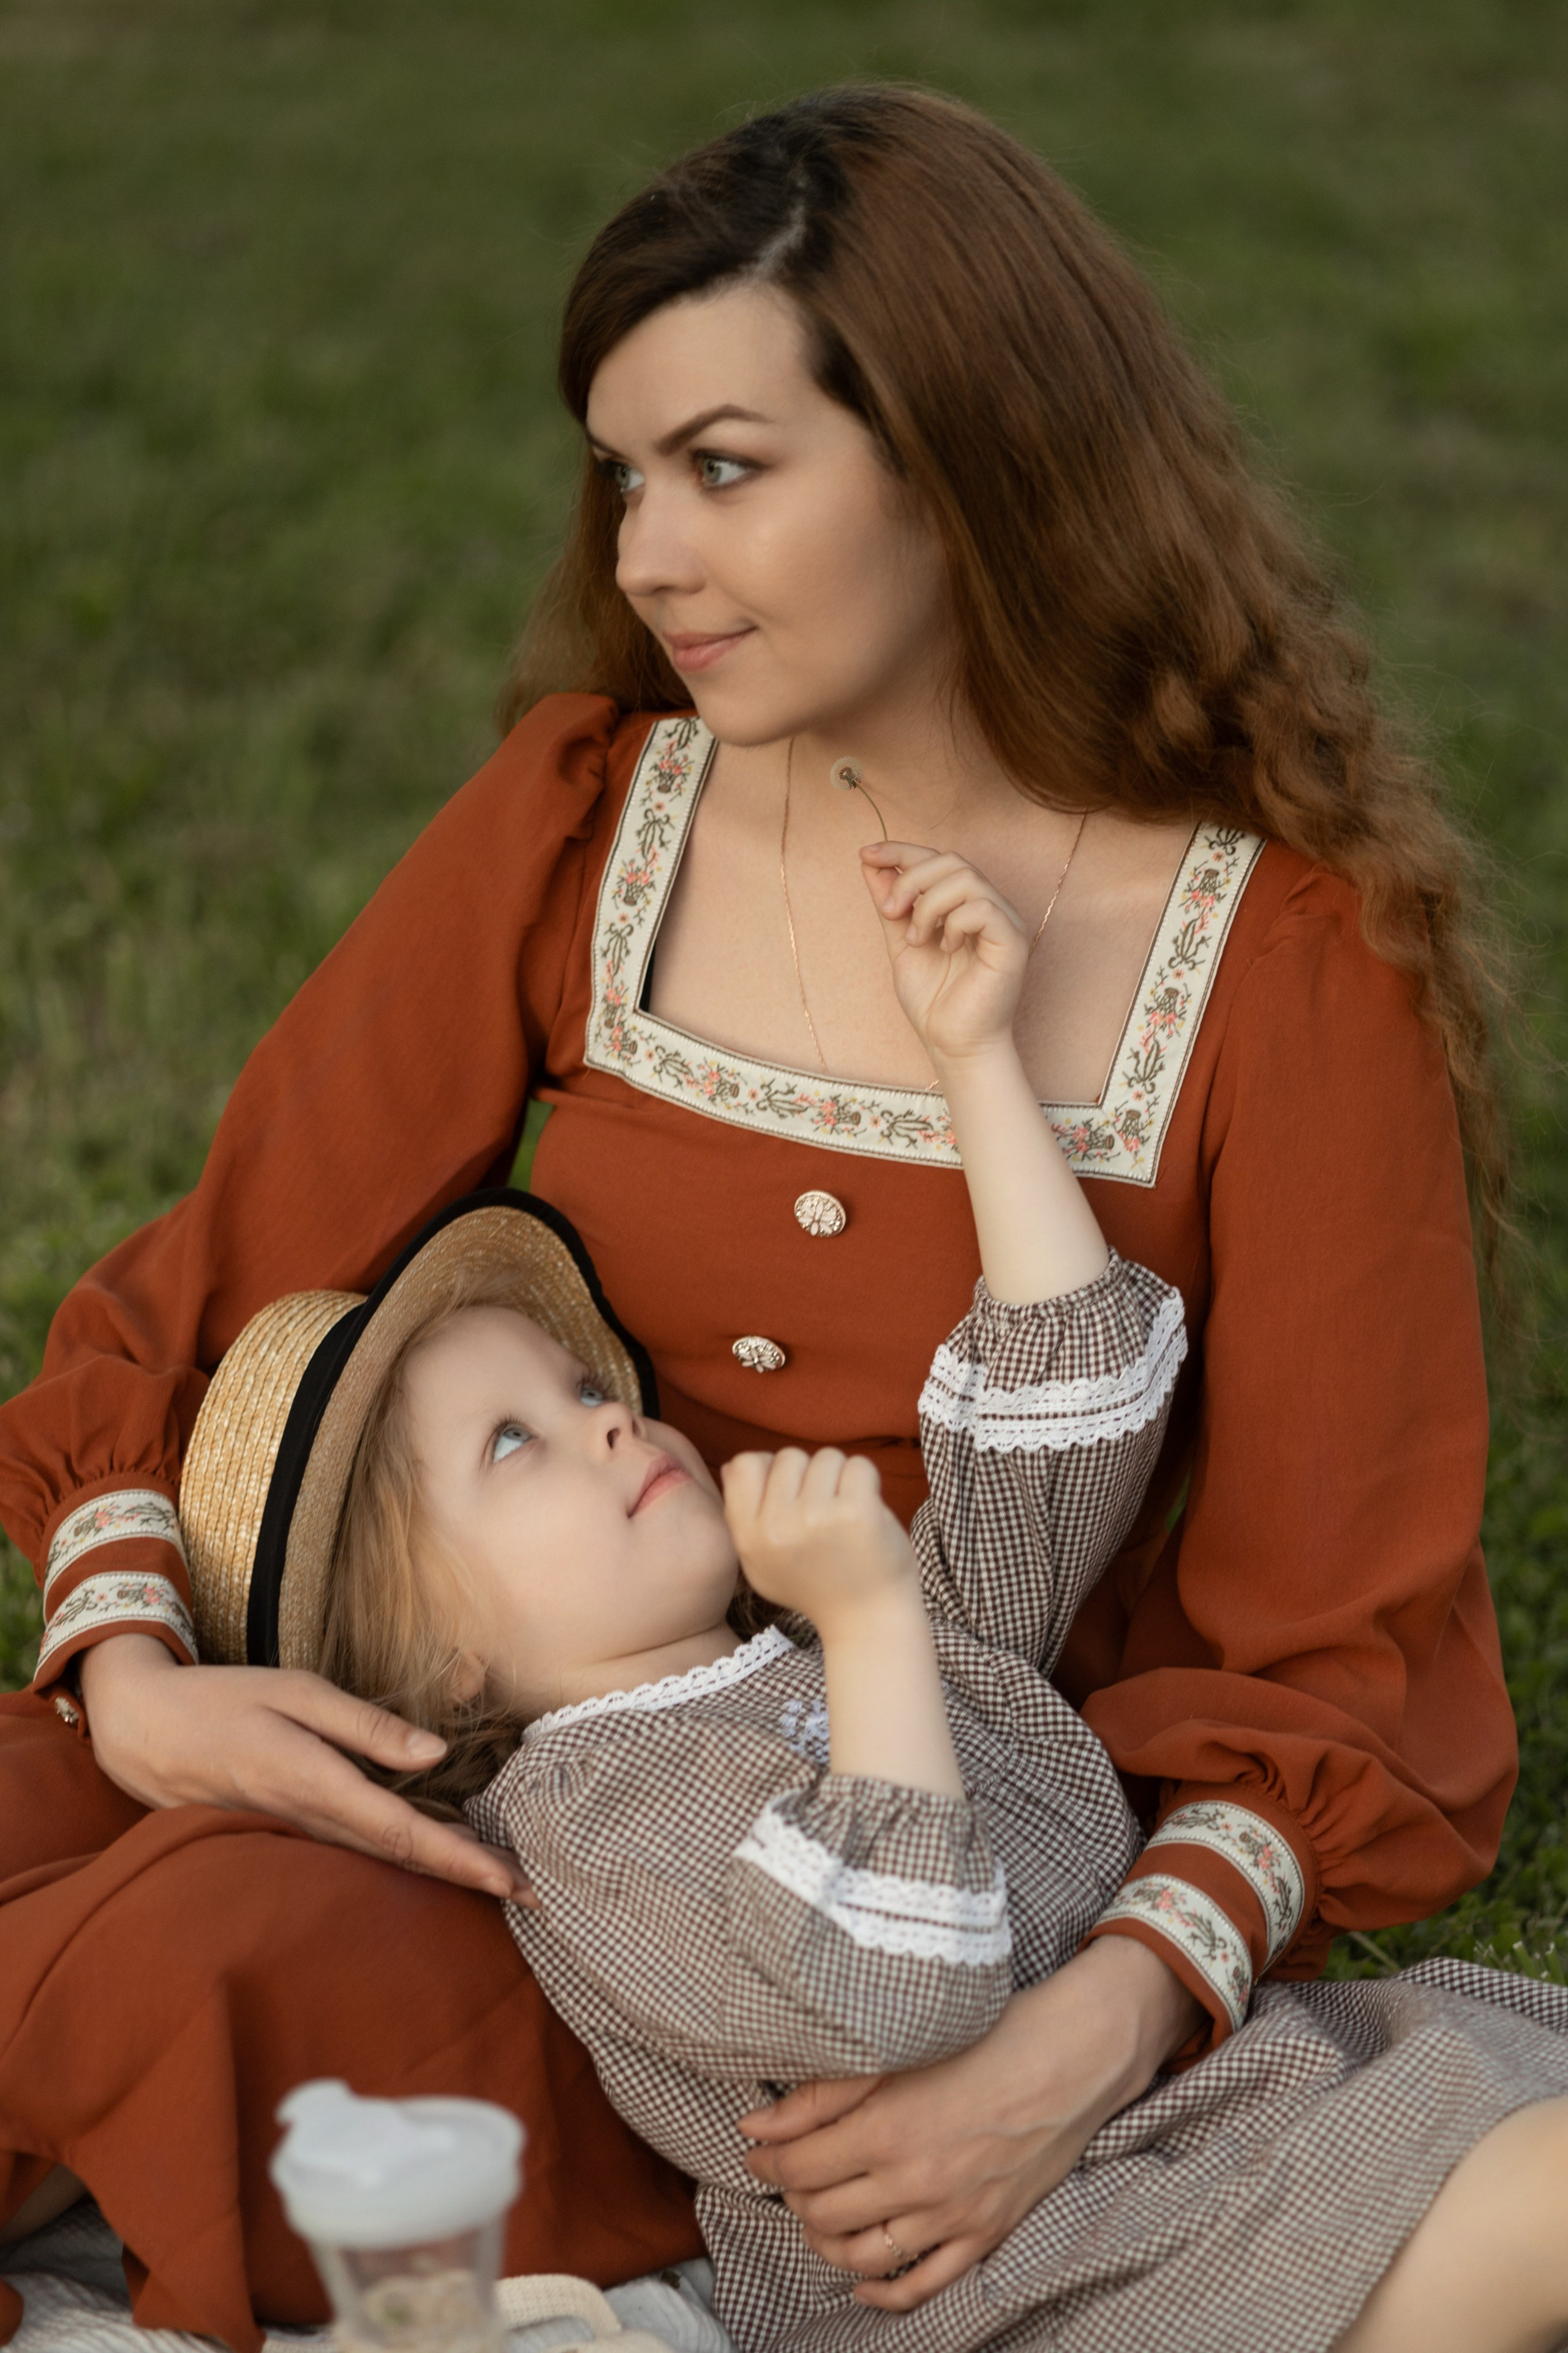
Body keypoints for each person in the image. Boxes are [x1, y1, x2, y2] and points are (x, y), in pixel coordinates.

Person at [0, 80, 1512, 2343]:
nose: (640, 559)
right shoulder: (586, 818)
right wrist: (138, 1685)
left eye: (722, 467)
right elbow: (211, 1290)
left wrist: (1073, 2042)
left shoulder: (1284, 975)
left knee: (217, 1949)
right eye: (623, 475)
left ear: (971, 456)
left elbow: (1338, 1670)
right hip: (511, 1734)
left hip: (880, 1887)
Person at [176, 851, 1568, 2353]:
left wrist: (974, 1059)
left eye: (583, 1387)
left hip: (1228, 2130)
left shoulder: (797, 1650)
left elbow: (1057, 1439)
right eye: (511, 1442)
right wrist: (873, 1620)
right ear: (443, 1666)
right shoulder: (593, 1822)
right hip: (1051, 2283)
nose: (605, 1422)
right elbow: (891, 1980)